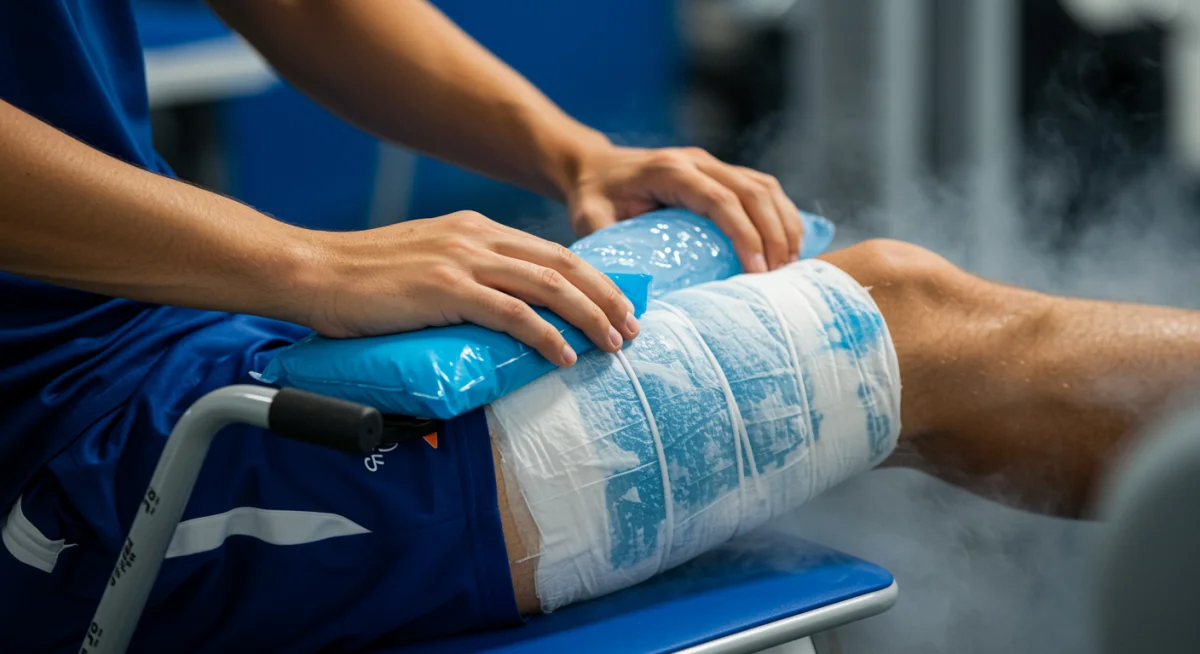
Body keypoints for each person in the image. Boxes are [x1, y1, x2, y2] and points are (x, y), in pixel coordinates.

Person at [2, 2, 1198, 653]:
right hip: (70, 459)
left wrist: (573, 154)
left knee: (879, 298)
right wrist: (308, 263)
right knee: (892, 332)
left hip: (171, 333)